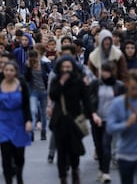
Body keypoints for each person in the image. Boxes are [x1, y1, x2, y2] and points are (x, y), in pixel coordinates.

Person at [49, 55, 102, 184]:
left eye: (69, 67)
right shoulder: (56, 80)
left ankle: (75, 172)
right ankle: (62, 177)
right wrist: (61, 83)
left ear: (73, 68)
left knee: (74, 149)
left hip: (75, 120)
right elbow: (53, 96)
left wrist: (93, 114)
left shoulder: (79, 81)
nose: (66, 69)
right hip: (59, 120)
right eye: (64, 67)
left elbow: (86, 100)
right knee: (61, 150)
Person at [0, 61, 32, 184]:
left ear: (15, 72)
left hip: (19, 120)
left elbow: (26, 104)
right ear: (3, 71)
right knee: (6, 152)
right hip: (2, 121)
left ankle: (19, 176)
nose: (9, 73)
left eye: (11, 70)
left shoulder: (21, 84)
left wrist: (28, 120)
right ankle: (8, 180)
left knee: (19, 154)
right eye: (6, 70)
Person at [88, 62, 125, 183]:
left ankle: (106, 172)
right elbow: (89, 100)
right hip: (96, 118)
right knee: (98, 146)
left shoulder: (119, 86)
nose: (105, 73)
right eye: (103, 71)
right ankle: (101, 168)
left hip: (110, 120)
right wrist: (93, 114)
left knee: (106, 145)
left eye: (107, 71)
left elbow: (123, 102)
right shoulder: (95, 84)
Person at [25, 49, 51, 141]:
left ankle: (43, 131)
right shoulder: (28, 65)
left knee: (44, 113)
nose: (32, 59)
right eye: (30, 57)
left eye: (34, 57)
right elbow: (26, 79)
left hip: (44, 91)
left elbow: (50, 74)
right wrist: (28, 68)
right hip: (33, 91)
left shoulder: (44, 65)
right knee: (32, 111)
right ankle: (31, 132)